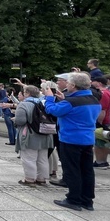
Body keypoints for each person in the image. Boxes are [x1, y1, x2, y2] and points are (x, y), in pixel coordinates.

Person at [44, 72, 100, 211]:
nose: (66, 85)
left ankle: (73, 199)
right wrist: (64, 99)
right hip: (87, 139)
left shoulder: (70, 102)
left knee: (72, 170)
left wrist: (49, 98)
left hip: (71, 139)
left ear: (73, 85)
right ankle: (87, 200)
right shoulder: (94, 99)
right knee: (87, 170)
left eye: (68, 83)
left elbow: (52, 110)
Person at [14, 86, 54, 185]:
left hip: (30, 134)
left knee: (29, 158)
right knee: (43, 158)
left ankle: (30, 179)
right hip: (45, 133)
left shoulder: (24, 104)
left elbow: (20, 120)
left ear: (27, 93)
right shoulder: (44, 103)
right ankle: (42, 178)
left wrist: (14, 120)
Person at [91, 76, 110, 170]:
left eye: (93, 81)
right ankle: (103, 161)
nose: (92, 82)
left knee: (100, 143)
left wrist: (98, 124)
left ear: (99, 83)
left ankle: (100, 162)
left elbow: (102, 110)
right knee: (105, 142)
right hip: (107, 120)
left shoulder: (102, 93)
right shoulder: (108, 92)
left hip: (102, 121)